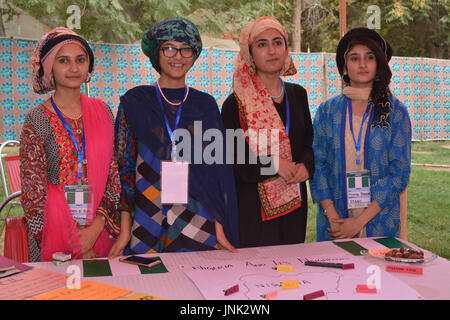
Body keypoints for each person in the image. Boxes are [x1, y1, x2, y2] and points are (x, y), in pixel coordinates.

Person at [114, 17, 239, 254]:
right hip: (147, 212)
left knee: (199, 282)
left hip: (197, 216)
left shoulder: (205, 106)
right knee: (151, 285)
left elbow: (217, 173)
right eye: (169, 48)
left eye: (186, 49)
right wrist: (124, 231)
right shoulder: (136, 102)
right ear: (156, 54)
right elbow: (124, 169)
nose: (178, 56)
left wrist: (220, 228)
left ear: (194, 55)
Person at [21, 27, 126, 262]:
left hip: (100, 233)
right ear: (49, 68)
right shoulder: (37, 120)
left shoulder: (103, 111)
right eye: (63, 61)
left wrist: (94, 230)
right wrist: (71, 242)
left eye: (81, 60)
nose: (74, 68)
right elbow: (33, 194)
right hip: (53, 238)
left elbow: (113, 177)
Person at [309, 27, 412, 241]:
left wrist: (359, 221)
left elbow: (399, 174)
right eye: (355, 58)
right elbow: (317, 165)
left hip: (379, 220)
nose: (363, 64)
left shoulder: (395, 111)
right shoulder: (327, 111)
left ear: (379, 64)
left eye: (370, 57)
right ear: (345, 66)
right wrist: (333, 217)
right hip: (334, 222)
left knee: (379, 273)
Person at [221, 16, 314, 248]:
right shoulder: (236, 103)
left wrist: (305, 166)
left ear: (286, 49)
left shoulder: (297, 95)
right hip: (253, 210)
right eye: (262, 44)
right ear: (250, 54)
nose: (272, 50)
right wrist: (274, 164)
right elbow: (234, 162)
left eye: (278, 42)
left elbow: (307, 145)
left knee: (292, 272)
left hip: (294, 202)